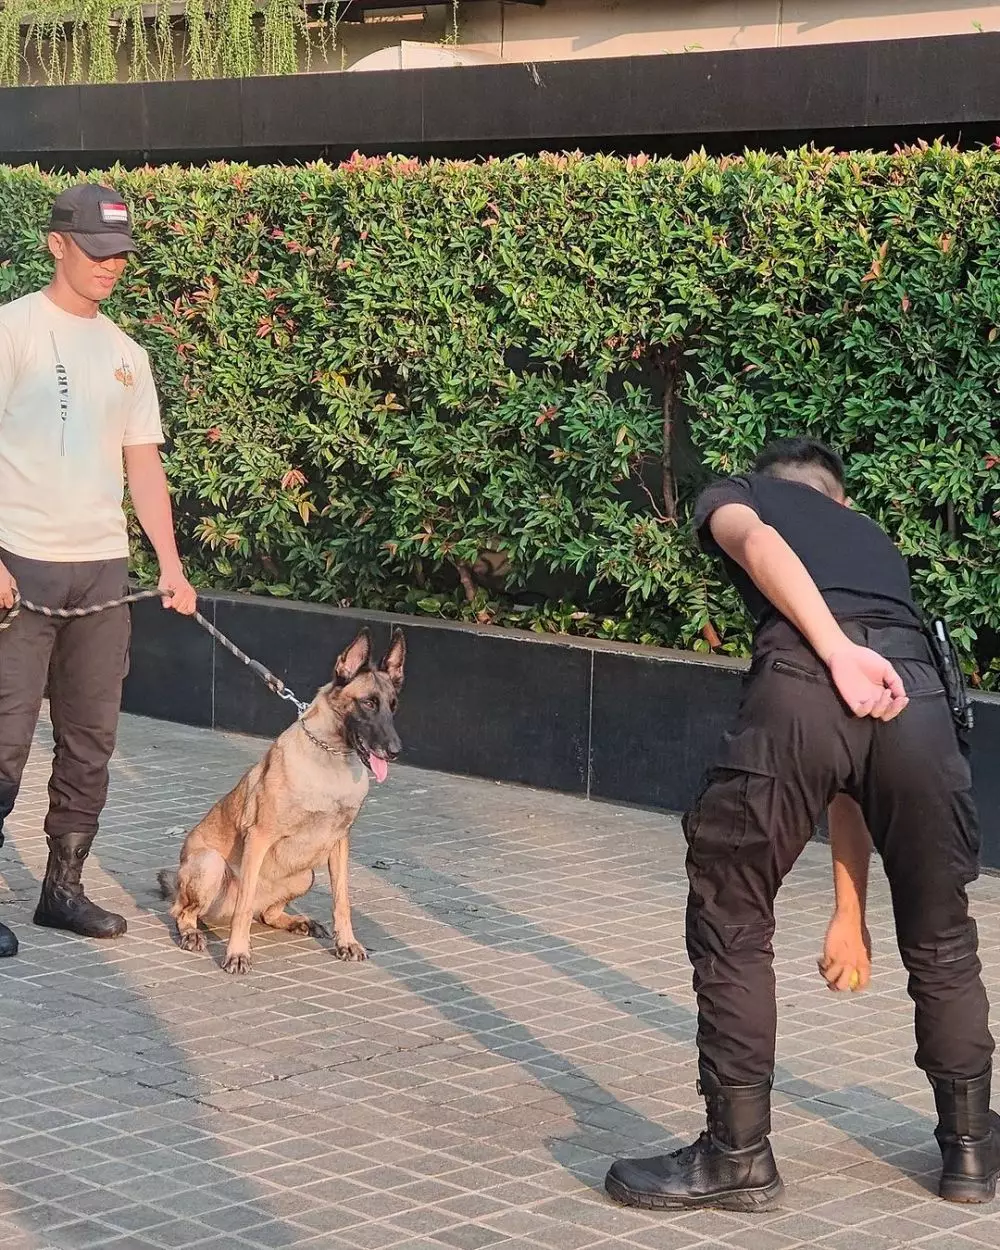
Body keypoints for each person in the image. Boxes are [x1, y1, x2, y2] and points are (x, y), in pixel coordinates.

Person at [605, 436, 999, 1211]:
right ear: (841, 498)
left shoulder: (741, 496)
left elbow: (756, 543)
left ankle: (738, 1157)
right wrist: (849, 914)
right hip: (914, 697)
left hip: (808, 680)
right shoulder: (872, 542)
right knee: (942, 935)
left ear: (764, 485)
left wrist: (832, 650)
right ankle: (972, 1155)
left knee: (733, 914)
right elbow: (854, 774)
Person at [0, 183, 196, 960]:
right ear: (57, 244)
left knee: (90, 741)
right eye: (97, 251)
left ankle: (62, 891)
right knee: (5, 740)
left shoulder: (125, 354)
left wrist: (171, 566)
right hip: (19, 567)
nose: (112, 266)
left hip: (101, 574)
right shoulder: (12, 330)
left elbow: (141, 465)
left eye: (121, 254)